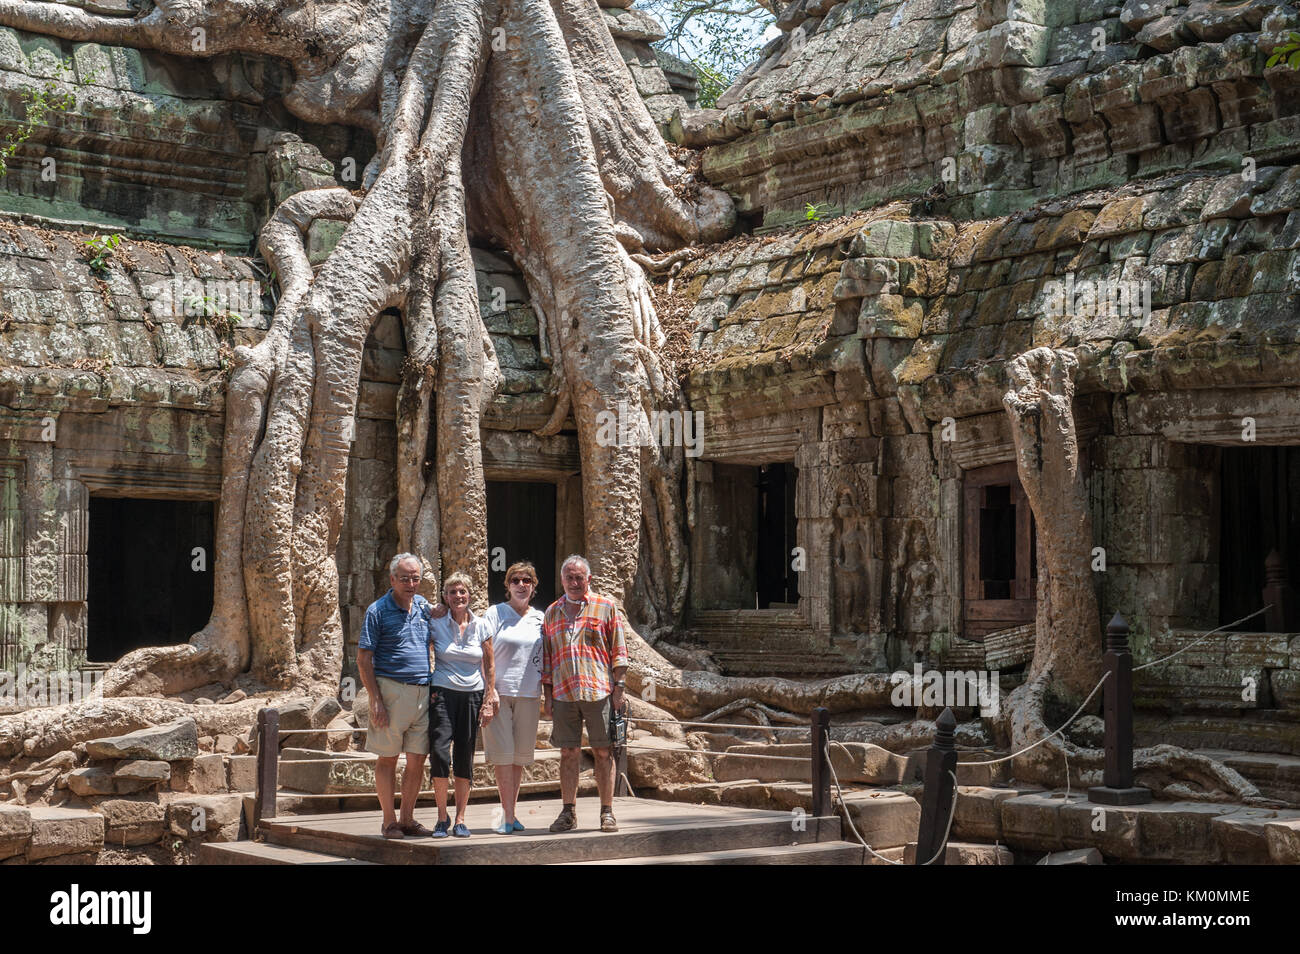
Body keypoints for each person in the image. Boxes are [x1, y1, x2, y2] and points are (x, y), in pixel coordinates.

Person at [542, 554, 627, 833]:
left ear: (588, 579)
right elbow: (547, 657)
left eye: (579, 577)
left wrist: (619, 688)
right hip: (564, 693)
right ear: (562, 579)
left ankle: (607, 812)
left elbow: (619, 651)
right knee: (568, 752)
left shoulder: (605, 607)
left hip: (599, 691)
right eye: (569, 577)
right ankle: (568, 812)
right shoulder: (552, 612)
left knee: (603, 751)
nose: (574, 582)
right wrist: (548, 694)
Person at [356, 553, 435, 840]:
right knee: (387, 758)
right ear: (392, 579)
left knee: (417, 758)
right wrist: (374, 699)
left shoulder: (425, 607)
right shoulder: (377, 610)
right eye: (404, 578)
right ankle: (389, 821)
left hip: (422, 692)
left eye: (415, 578)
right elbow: (364, 658)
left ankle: (408, 818)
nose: (411, 583)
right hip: (390, 690)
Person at [426, 571, 496, 837]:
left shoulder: (481, 625)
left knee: (464, 755)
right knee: (440, 752)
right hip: (442, 692)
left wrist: (489, 698)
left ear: (469, 595)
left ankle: (461, 818)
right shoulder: (437, 623)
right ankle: (442, 817)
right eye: (452, 592)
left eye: (462, 591)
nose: (458, 596)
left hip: (472, 694)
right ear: (445, 596)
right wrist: (433, 609)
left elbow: (489, 664)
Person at [479, 562, 546, 834]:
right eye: (515, 580)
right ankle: (505, 817)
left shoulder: (541, 617)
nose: (521, 585)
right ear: (507, 586)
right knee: (503, 757)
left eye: (526, 580)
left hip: (530, 693)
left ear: (533, 585)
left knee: (519, 758)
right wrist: (489, 689)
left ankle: (511, 813)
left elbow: (549, 656)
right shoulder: (495, 613)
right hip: (500, 693)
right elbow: (484, 652)